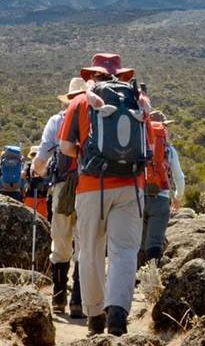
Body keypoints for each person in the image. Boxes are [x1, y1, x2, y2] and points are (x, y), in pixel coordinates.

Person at [59, 53, 150, 337]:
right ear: (121, 75)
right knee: (124, 251)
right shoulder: (137, 99)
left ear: (92, 76)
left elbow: (65, 146)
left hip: (92, 187)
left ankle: (95, 317)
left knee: (89, 251)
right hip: (131, 186)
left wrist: (87, 154)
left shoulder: (79, 101)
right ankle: (118, 316)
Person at [33, 77, 87, 318]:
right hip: (90, 188)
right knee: (84, 245)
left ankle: (58, 299)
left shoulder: (57, 121)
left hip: (63, 187)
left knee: (61, 242)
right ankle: (78, 302)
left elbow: (42, 158)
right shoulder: (94, 118)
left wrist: (36, 172)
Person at [140, 110, 185, 266]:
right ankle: (152, 279)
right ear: (163, 127)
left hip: (138, 198)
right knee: (155, 242)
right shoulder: (169, 150)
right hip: (161, 199)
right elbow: (179, 178)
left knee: (140, 241)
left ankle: (135, 280)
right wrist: (178, 198)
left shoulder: (139, 146)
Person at [23, 145, 49, 219]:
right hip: (42, 196)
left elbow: (23, 174)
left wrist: (28, 179)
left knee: (28, 218)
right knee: (42, 219)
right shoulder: (45, 165)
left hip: (30, 196)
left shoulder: (28, 164)